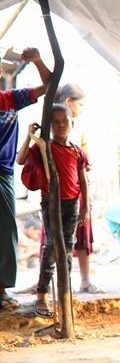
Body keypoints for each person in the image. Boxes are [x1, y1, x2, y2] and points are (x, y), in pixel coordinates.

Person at [17, 104, 89, 318]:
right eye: (55, 122)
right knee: (50, 246)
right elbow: (20, 160)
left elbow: (83, 180)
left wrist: (86, 207)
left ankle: (64, 294)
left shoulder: (77, 151)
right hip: (51, 201)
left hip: (72, 202)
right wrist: (30, 137)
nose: (60, 125)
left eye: (64, 121)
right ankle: (42, 294)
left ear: (72, 123)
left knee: (67, 247)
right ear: (49, 125)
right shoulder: (43, 147)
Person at [0, 47, 51, 311]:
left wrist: (38, 61)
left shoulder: (11, 99)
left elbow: (50, 84)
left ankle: (1, 290)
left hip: (3, 174)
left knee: (6, 231)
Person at [53, 83, 102, 293]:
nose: (82, 110)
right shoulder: (51, 126)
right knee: (53, 235)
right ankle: (47, 284)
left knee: (81, 232)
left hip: (77, 189)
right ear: (68, 102)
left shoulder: (78, 129)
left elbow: (86, 163)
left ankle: (84, 279)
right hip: (56, 191)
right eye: (80, 105)